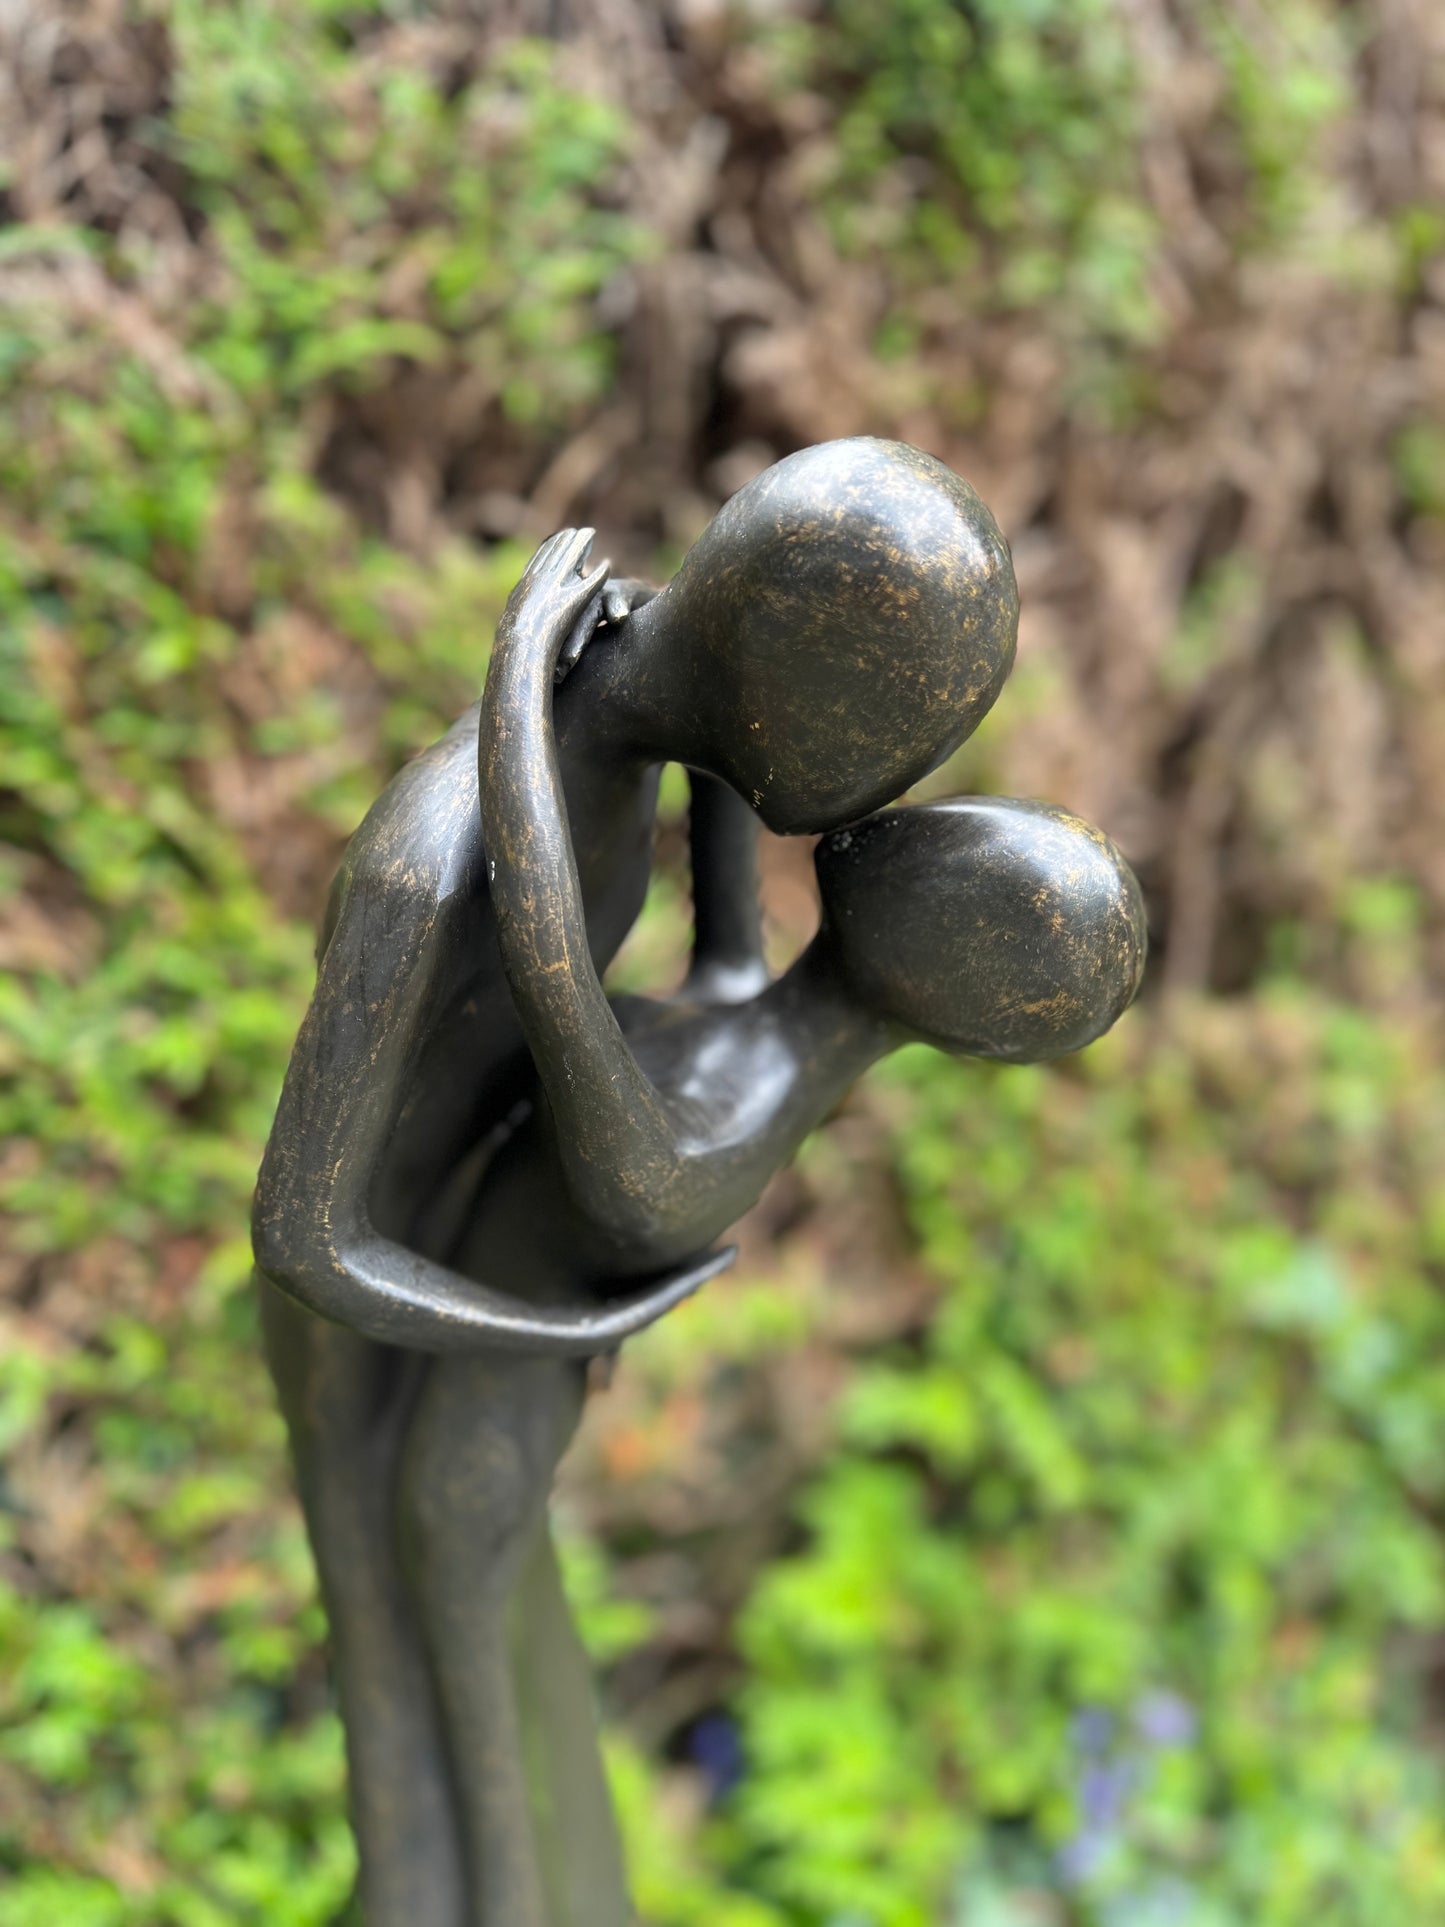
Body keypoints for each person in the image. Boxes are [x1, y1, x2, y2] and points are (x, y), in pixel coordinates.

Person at [252, 439, 1021, 1926]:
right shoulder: (433, 866)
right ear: (778, 686)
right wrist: (548, 1327)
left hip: (486, 1272)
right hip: (377, 1307)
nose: (859, 810)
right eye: (874, 744)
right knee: (392, 1650)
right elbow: (306, 1235)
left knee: (481, 1633)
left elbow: (687, 966)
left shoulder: (632, 744)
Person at [364, 527, 1146, 1927]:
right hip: (465, 1405)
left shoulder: (726, 1120)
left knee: (479, 1745)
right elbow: (726, 793)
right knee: (473, 1718)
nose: (891, 825)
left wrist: (517, 673)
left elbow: (555, 983)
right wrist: (692, 665)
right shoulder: (744, 996)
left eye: (939, 856)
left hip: (468, 1456)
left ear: (944, 978)